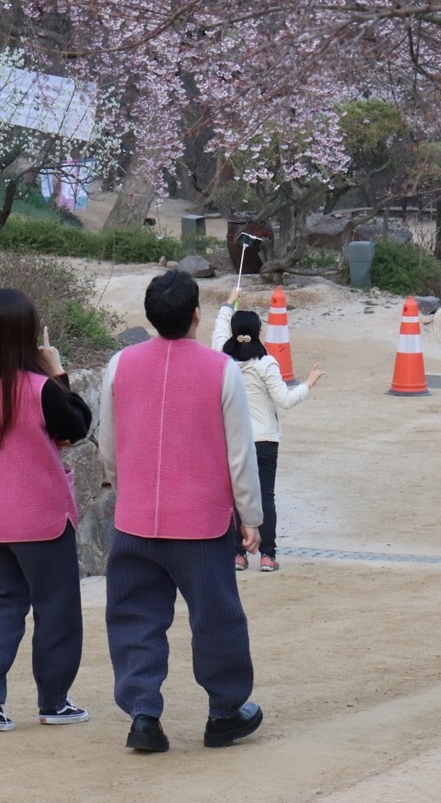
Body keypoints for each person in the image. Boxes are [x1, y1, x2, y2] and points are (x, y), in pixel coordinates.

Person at [97, 269, 265, 752]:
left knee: (134, 619)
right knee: (216, 618)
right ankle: (224, 711)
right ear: (197, 314)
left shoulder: (120, 364)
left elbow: (108, 443)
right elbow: (240, 453)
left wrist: (122, 484)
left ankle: (144, 714)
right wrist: (249, 516)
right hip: (200, 522)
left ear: (149, 317)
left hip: (136, 520)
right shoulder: (221, 369)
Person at [0, 288, 93, 732]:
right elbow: (77, 427)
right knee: (56, 609)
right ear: (28, 335)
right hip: (40, 519)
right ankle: (53, 700)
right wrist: (58, 371)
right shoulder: (40, 388)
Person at [211, 284, 324, 572]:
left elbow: (219, 333)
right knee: (265, 498)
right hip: (264, 441)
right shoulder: (266, 363)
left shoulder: (221, 359)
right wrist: (308, 384)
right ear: (259, 332)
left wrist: (228, 303)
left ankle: (238, 553)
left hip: (233, 440)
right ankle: (267, 555)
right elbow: (285, 400)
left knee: (237, 496)